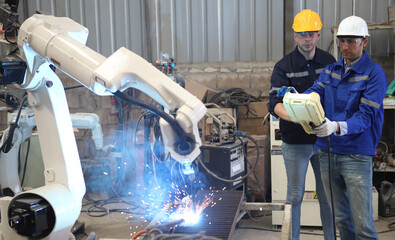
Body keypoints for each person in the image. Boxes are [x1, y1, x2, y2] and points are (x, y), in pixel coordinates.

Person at [305, 15, 388, 239]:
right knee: (341, 219)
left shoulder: (374, 74)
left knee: (363, 224)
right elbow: (315, 92)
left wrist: (336, 127)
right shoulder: (331, 70)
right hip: (328, 152)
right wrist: (296, 100)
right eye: (342, 40)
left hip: (356, 154)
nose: (344, 46)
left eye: (351, 41)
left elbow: (366, 115)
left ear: (364, 42)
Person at [268, 9, 335, 240]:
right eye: (303, 34)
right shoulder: (283, 66)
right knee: (294, 196)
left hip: (324, 140)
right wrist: (297, 117)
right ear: (295, 36)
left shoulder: (329, 61)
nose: (307, 39)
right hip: (295, 141)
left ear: (318, 35)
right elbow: (274, 103)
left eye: (312, 34)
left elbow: (337, 96)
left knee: (327, 197)